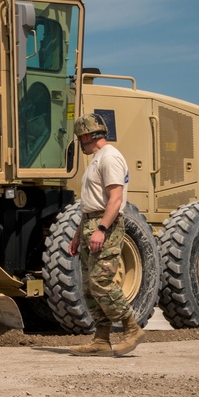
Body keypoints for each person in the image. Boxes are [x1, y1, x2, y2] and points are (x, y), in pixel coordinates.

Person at [66, 113, 145, 357]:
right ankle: (101, 339)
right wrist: (79, 234)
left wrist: (101, 229)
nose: (80, 143)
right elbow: (90, 202)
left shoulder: (110, 158)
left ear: (88, 136)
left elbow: (116, 198)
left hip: (105, 226)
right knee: (89, 287)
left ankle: (132, 328)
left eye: (81, 138)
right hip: (91, 222)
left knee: (101, 282)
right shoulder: (97, 158)